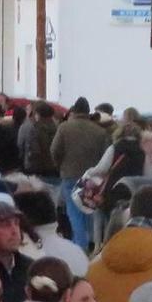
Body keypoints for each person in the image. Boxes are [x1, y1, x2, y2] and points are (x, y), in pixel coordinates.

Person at [54, 99, 113, 251]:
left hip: (69, 174)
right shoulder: (100, 131)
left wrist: (61, 165)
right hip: (91, 179)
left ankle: (80, 246)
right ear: (88, 112)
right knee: (88, 211)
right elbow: (105, 155)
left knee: (74, 213)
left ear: (74, 111)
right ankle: (88, 244)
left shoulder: (64, 128)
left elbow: (55, 150)